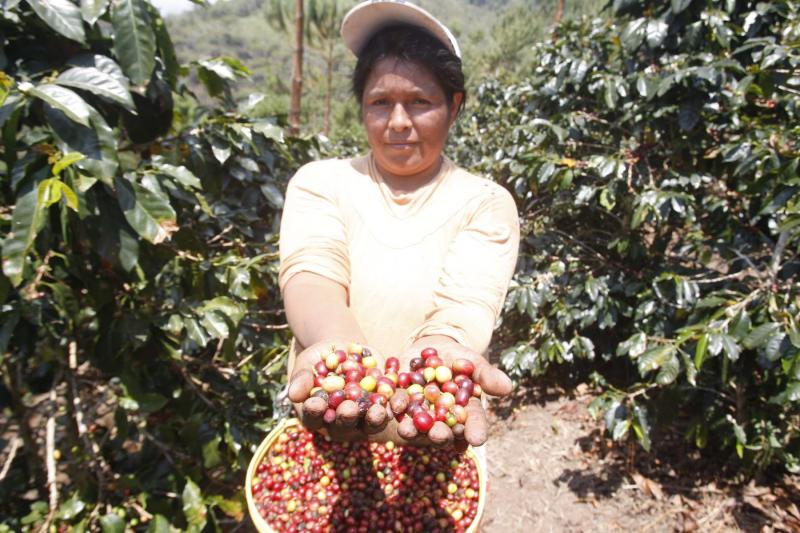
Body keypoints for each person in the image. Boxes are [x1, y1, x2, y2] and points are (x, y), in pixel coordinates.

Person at [279, 0, 519, 447]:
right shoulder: (321, 182)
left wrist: (439, 354)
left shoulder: (484, 203)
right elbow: (312, 274)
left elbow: (465, 304)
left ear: (454, 105)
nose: (398, 123)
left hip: (433, 430)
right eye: (380, 102)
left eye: (420, 102)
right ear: (361, 107)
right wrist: (348, 359)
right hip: (329, 425)